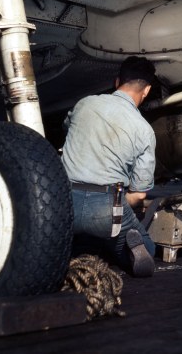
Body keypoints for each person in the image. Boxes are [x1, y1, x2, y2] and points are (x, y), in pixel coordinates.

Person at [61, 56, 157, 277]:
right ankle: (123, 247)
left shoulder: (84, 104)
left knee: (80, 242)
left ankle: (77, 246)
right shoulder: (144, 130)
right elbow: (140, 195)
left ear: (117, 82)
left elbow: (67, 130)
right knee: (144, 248)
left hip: (67, 200)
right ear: (147, 90)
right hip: (106, 206)